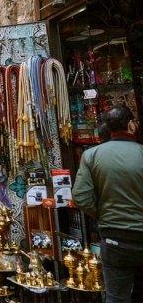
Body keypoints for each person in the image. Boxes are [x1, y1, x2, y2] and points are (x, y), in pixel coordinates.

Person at [73, 105, 143, 303]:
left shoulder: (91, 155)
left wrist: (104, 214)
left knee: (116, 297)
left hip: (114, 238)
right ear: (131, 124)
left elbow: (81, 197)